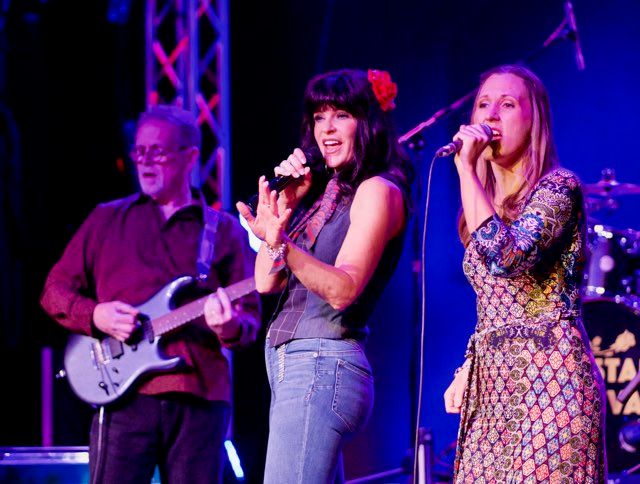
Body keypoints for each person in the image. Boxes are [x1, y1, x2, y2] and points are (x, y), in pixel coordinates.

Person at [40, 105, 261, 484]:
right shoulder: (107, 219)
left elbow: (249, 321)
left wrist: (229, 326)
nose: (145, 161)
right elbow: (53, 291)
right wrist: (94, 314)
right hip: (123, 397)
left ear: (190, 157)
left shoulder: (222, 230)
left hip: (200, 396)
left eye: (157, 152)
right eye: (139, 151)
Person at [232, 68, 412, 483]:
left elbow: (344, 289)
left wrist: (283, 242)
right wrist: (287, 207)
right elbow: (265, 282)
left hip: (320, 366)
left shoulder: (378, 190)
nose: (327, 129)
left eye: (341, 115)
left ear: (368, 122)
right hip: (298, 370)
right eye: (319, 117)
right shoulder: (326, 195)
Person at [443, 64, 606, 482]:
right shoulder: (480, 207)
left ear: (535, 121)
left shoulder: (558, 188)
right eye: (483, 104)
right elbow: (494, 303)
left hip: (551, 384)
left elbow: (508, 258)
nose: (491, 115)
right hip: (491, 392)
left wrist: (465, 170)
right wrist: (468, 367)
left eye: (507, 104)